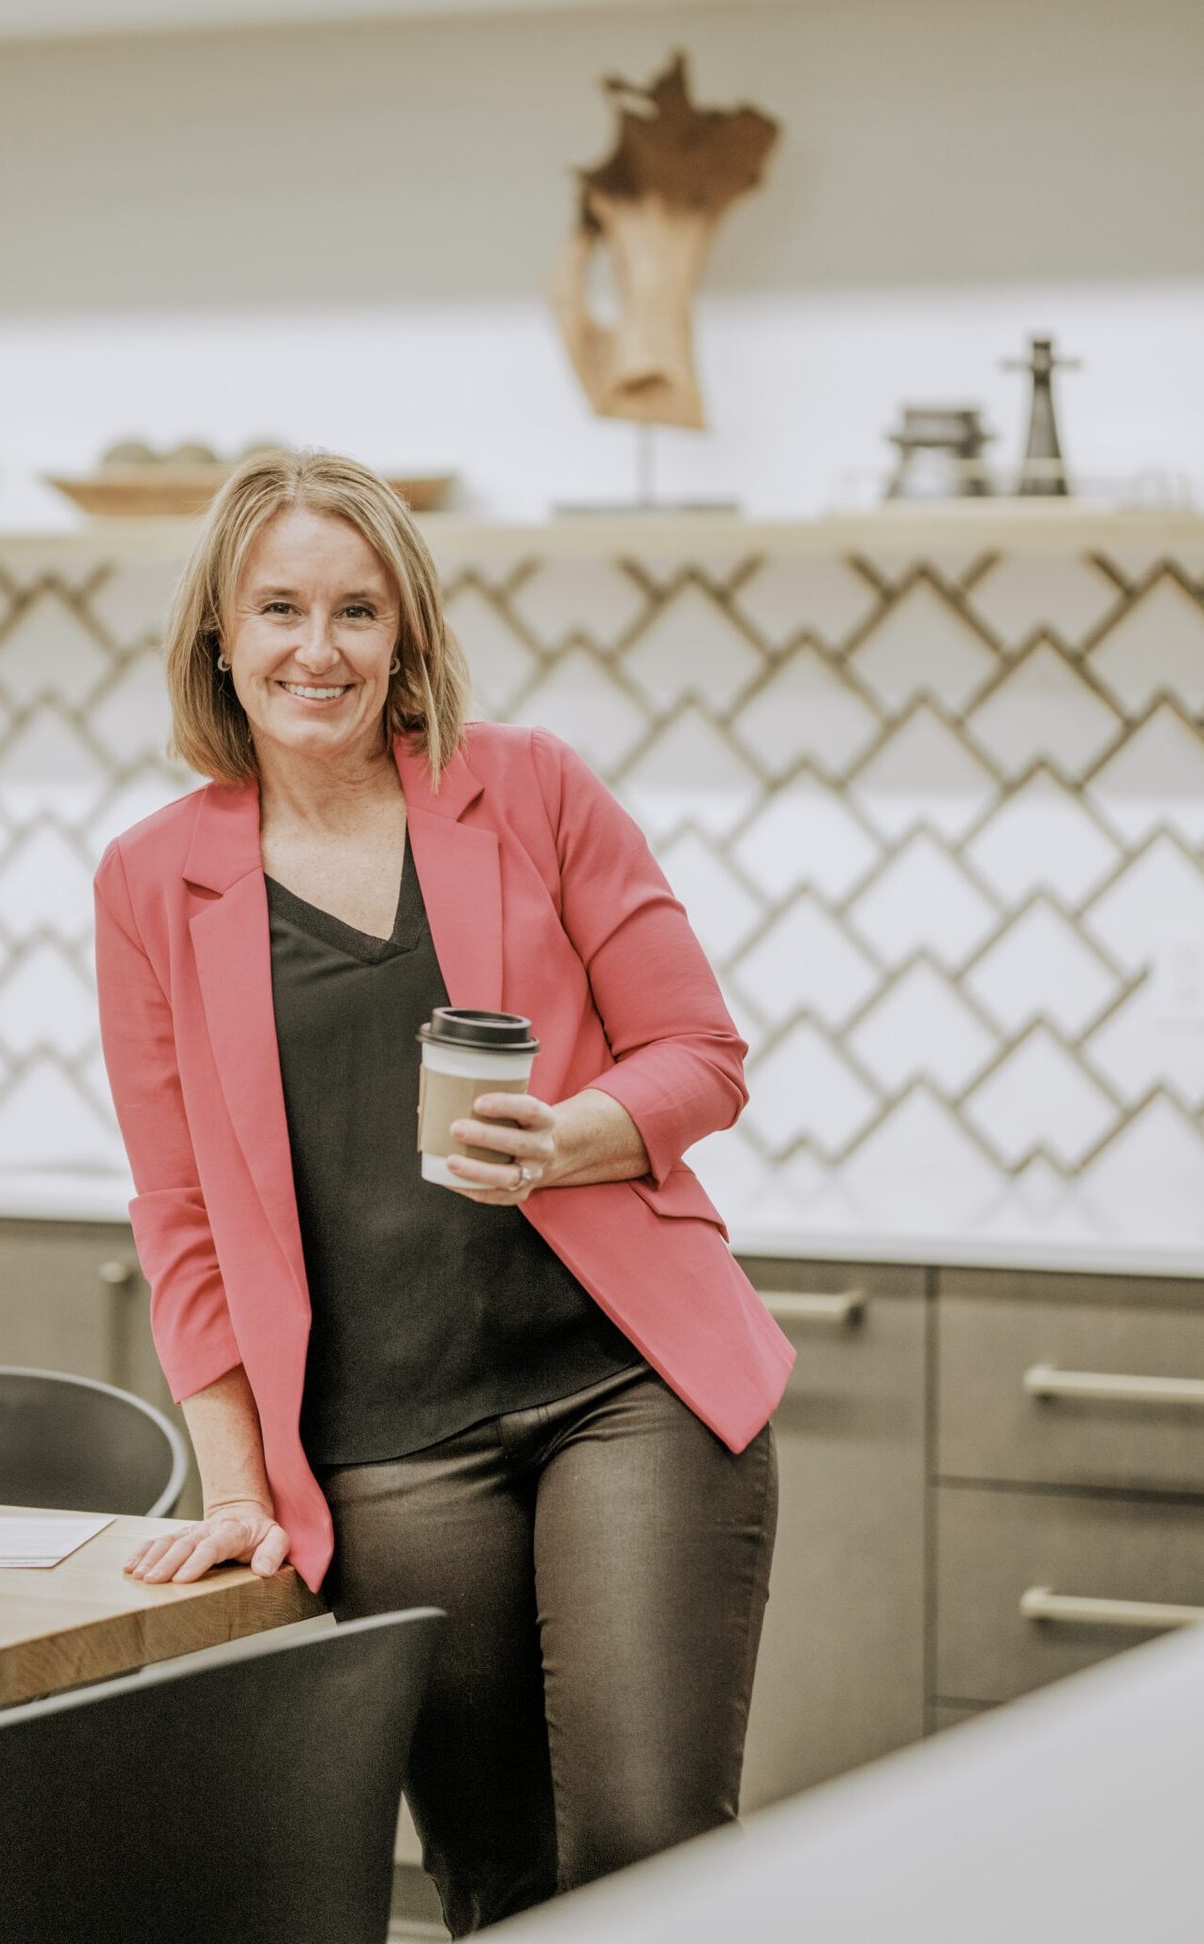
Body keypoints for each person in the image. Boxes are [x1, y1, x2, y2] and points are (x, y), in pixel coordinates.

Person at [95, 447, 791, 1935]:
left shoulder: (528, 789)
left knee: (649, 1848)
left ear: (405, 629)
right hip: (386, 1450)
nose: (320, 649)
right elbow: (181, 1216)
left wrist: (572, 1136)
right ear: (220, 632)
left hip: (624, 1388)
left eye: (358, 610)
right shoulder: (154, 882)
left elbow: (701, 1055)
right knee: (495, 1884)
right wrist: (238, 1488)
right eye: (280, 609)